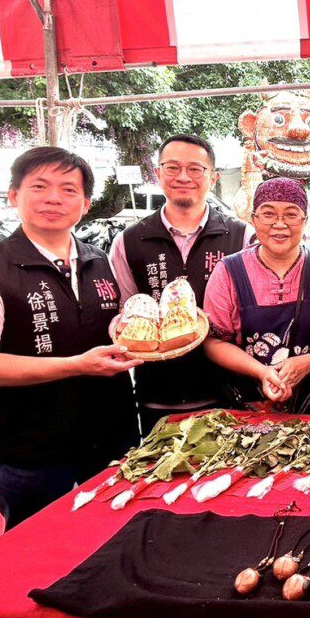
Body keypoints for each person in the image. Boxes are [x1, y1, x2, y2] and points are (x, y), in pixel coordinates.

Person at [0, 148, 141, 528]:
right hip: (30, 455)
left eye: (68, 189)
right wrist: (76, 366)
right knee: (39, 560)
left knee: (114, 544)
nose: (53, 198)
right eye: (40, 186)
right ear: (14, 195)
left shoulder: (100, 260)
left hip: (112, 444)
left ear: (85, 203)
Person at [110, 134, 249, 419]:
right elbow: (122, 314)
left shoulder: (242, 236)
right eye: (172, 167)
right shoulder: (129, 240)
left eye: (195, 169)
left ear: (213, 177)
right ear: (158, 174)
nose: (183, 176)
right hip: (157, 399)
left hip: (229, 397)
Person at [203, 178, 310, 414]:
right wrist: (262, 372)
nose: (280, 224)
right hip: (249, 410)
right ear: (254, 219)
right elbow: (213, 342)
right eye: (268, 214)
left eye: (291, 214)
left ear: (305, 221)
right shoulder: (229, 271)